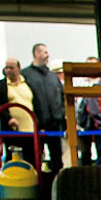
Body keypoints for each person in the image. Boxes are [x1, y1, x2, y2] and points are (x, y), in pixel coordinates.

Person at [22, 42, 65, 178]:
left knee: (57, 160)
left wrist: (61, 115)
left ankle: (56, 185)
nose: (48, 56)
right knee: (33, 159)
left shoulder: (53, 77)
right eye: (45, 52)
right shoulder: (26, 76)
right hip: (35, 125)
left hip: (54, 126)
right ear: (37, 54)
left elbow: (61, 97)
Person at [0, 58, 40, 167]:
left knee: (32, 160)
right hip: (12, 132)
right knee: (12, 160)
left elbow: (36, 104)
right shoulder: (0, 86)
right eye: (6, 67)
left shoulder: (29, 84)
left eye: (11, 67)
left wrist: (39, 124)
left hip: (30, 131)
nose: (8, 70)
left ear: (19, 68)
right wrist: (9, 119)